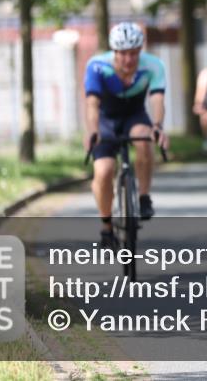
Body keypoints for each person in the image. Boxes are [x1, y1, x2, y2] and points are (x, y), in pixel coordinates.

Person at [83, 22, 170, 248]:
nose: (129, 60)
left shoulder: (153, 65)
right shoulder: (97, 66)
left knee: (144, 138)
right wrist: (92, 130)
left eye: (134, 53)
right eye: (122, 54)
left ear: (141, 51)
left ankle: (143, 196)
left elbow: (157, 99)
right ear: (114, 51)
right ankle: (106, 226)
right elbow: (92, 104)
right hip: (106, 119)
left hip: (134, 115)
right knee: (103, 171)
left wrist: (158, 126)